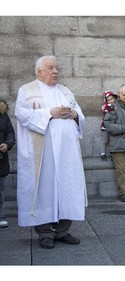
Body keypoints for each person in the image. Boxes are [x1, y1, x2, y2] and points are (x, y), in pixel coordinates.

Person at [15, 55, 87, 249]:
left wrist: (74, 115)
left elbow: (80, 114)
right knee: (44, 188)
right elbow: (22, 114)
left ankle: (64, 230)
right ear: (40, 72)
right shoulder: (27, 91)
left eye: (57, 68)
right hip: (43, 153)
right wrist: (49, 113)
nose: (56, 71)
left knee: (67, 187)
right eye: (50, 68)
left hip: (66, 152)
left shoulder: (65, 91)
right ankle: (45, 232)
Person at [0, 100, 16, 228]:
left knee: (0, 189)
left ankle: (0, 216)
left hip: (1, 159)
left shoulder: (3, 115)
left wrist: (8, 144)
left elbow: (10, 133)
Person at [99, 90, 117, 161]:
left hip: (113, 125)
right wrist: (111, 107)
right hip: (105, 126)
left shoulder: (117, 106)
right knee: (105, 140)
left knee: (113, 140)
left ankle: (113, 154)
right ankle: (102, 153)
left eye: (112, 99)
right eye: (108, 100)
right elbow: (104, 108)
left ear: (114, 99)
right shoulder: (105, 106)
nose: (110, 101)